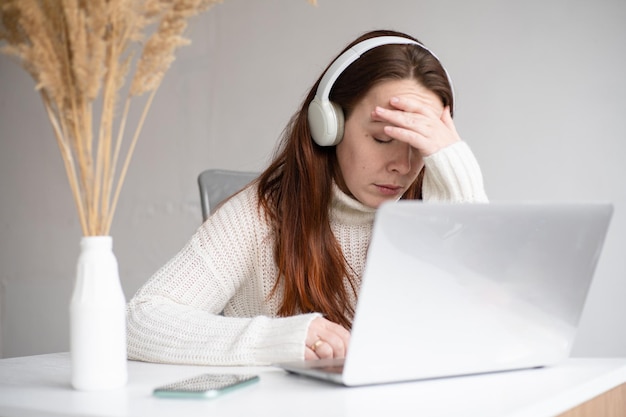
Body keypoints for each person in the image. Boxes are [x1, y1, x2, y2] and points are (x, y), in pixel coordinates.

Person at [126, 29, 488, 366]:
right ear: (329, 125)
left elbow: (491, 331)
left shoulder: (437, 207)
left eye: (419, 145)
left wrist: (457, 175)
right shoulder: (261, 213)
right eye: (381, 139)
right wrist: (277, 339)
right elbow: (139, 320)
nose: (403, 166)